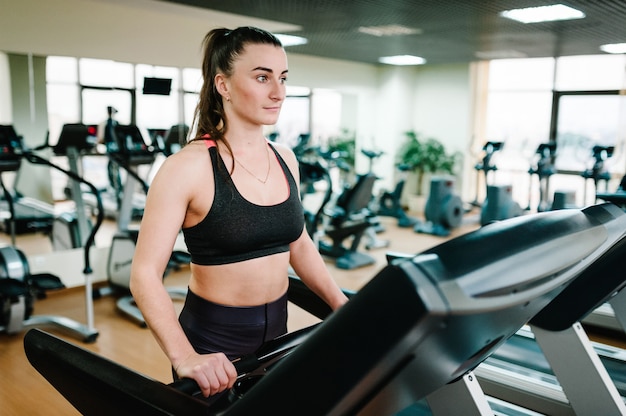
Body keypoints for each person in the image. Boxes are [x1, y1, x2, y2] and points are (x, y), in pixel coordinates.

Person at [129, 26, 349, 400]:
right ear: (224, 85)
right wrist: (185, 356)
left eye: (282, 78)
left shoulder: (286, 159)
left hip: (278, 336)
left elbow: (299, 243)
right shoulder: (187, 167)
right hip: (213, 342)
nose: (278, 92)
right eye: (262, 77)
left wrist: (340, 303)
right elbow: (144, 273)